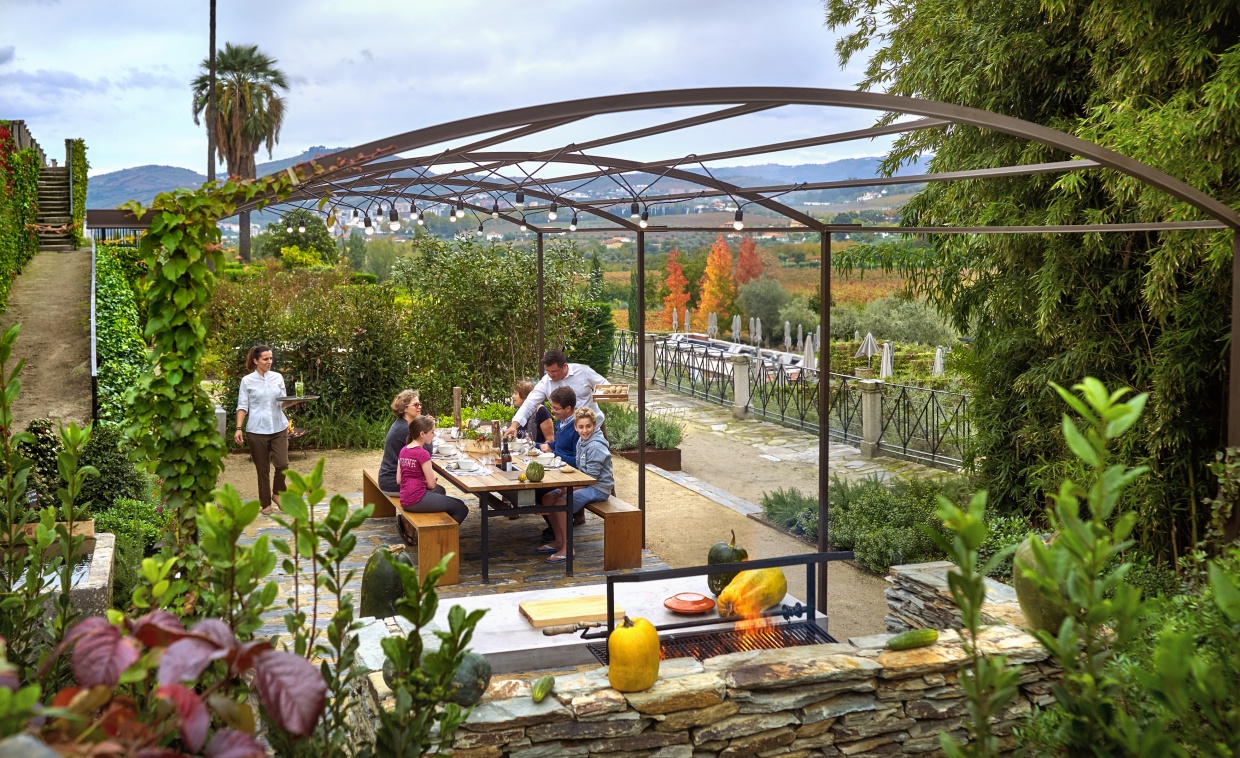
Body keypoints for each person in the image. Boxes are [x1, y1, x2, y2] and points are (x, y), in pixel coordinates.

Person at [538, 407, 613, 564]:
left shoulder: (596, 446)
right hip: (585, 483)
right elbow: (580, 469)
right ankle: (559, 540)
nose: (584, 430)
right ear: (576, 427)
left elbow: (591, 479)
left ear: (594, 425)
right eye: (581, 427)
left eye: (588, 426)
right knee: (547, 497)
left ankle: (568, 548)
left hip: (598, 488)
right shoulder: (581, 441)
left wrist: (566, 489)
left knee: (561, 503)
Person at [234, 344, 301, 515]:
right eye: (265, 359)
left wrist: (295, 400)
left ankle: (277, 494)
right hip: (257, 430)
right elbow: (242, 406)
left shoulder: (277, 377)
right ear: (256, 361)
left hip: (279, 427)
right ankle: (265, 504)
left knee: (283, 464)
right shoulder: (247, 381)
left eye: (271, 358)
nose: (269, 361)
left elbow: (281, 403)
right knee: (262, 469)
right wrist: (238, 428)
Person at [506, 349, 608, 441]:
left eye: (554, 371)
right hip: (567, 431)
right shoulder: (546, 382)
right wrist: (514, 426)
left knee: (599, 455)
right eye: (548, 371)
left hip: (594, 427)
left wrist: (610, 394)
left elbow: (606, 386)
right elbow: (529, 404)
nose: (551, 375)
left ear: (564, 366)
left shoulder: (583, 372)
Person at [397, 416, 468, 527]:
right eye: (432, 432)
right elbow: (432, 485)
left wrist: (420, 481)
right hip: (416, 499)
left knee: (442, 492)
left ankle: (438, 526)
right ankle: (442, 535)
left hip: (405, 498)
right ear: (422, 434)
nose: (433, 435)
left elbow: (399, 480)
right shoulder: (423, 454)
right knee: (461, 508)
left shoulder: (403, 450)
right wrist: (428, 481)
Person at [379, 389, 426, 497]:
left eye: (420, 404)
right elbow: (426, 452)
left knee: (433, 487)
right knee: (437, 490)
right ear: (405, 408)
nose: (419, 407)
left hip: (389, 478)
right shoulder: (405, 429)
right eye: (416, 405)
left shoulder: (403, 424)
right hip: (394, 482)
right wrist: (427, 430)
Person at [512, 380, 554, 446]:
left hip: (538, 451)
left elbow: (550, 440)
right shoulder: (518, 413)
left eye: (516, 393)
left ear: (525, 396)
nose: (513, 396)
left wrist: (535, 445)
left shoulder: (541, 412)